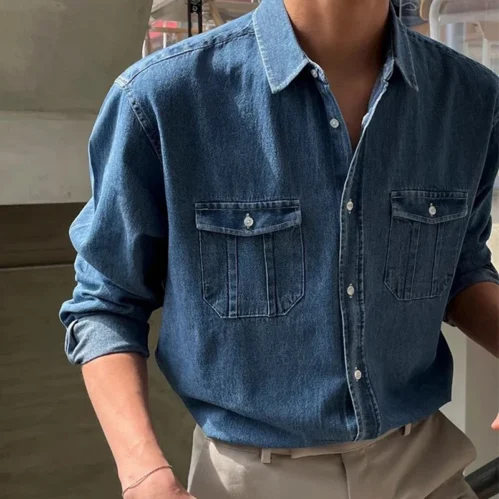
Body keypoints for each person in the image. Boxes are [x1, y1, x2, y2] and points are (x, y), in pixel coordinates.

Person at [60, 0, 499, 497]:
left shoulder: (471, 99)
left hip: (426, 466)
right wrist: (143, 474)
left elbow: (461, 267)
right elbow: (107, 303)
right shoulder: (162, 99)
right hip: (253, 479)